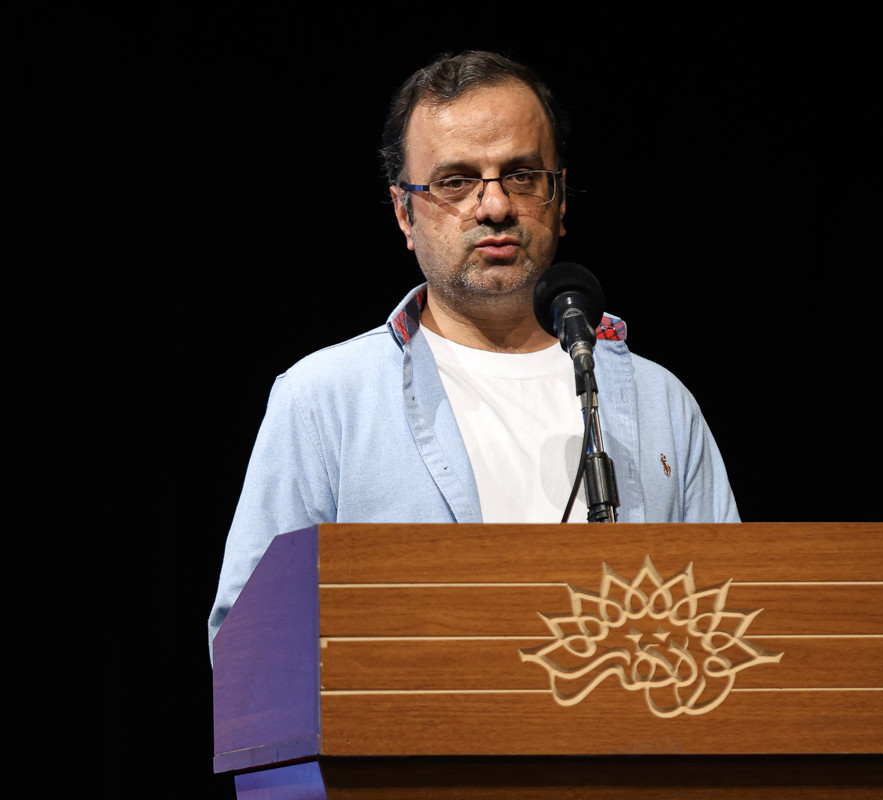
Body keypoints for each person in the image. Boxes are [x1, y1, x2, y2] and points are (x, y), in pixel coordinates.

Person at [207, 50, 739, 658]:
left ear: (560, 198)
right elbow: (250, 645)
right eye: (455, 182)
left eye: (522, 175)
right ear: (404, 213)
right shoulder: (324, 402)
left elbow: (728, 624)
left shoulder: (659, 401)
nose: (495, 207)